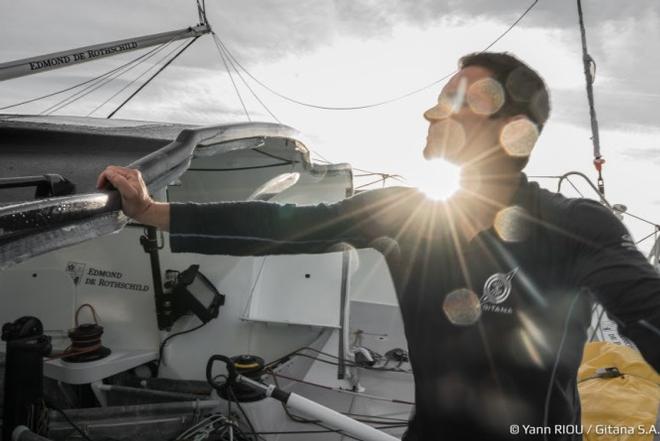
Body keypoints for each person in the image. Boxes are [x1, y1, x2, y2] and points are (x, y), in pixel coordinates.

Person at [98, 52, 660, 440]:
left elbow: (647, 312)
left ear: (509, 128)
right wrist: (150, 212)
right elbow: (282, 224)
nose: (431, 112)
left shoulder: (575, 226)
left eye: (452, 101)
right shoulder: (406, 214)